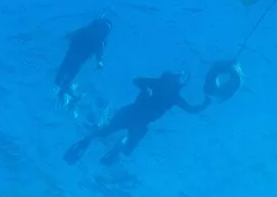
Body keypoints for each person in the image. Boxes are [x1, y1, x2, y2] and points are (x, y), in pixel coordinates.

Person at [63, 71, 209, 165]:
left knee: (120, 142)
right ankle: (92, 143)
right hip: (135, 116)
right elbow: (137, 80)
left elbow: (191, 109)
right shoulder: (163, 87)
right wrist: (146, 87)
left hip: (135, 117)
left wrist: (206, 102)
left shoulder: (170, 93)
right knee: (111, 134)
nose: (178, 81)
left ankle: (105, 146)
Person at [54, 17, 112, 106]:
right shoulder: (86, 32)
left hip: (76, 60)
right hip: (72, 58)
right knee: (59, 80)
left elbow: (99, 54)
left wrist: (99, 62)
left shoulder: (98, 41)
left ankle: (69, 96)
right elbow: (70, 35)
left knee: (64, 80)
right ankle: (69, 96)